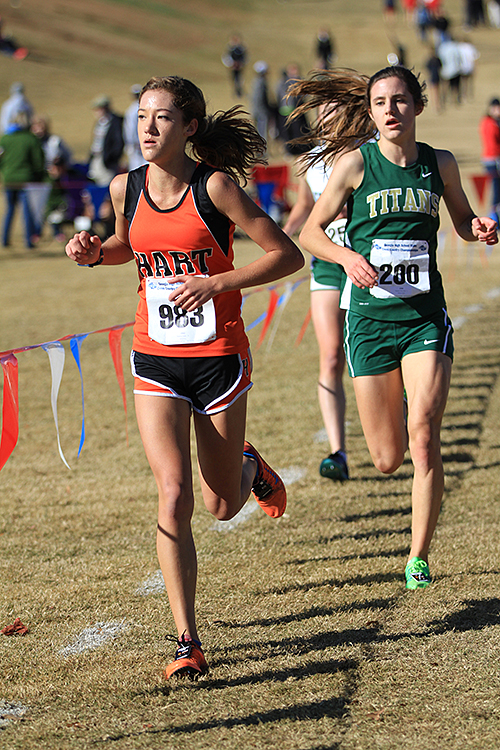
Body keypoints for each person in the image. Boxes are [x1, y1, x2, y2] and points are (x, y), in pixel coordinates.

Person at [65, 75, 304, 678]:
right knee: (172, 495)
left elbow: (286, 254)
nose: (148, 127)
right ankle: (186, 641)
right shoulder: (125, 186)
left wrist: (216, 282)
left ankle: (247, 466)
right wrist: (96, 253)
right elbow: (128, 245)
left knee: (220, 505)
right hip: (155, 356)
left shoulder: (214, 187)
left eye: (163, 117)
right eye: (142, 116)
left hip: (218, 357)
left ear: (190, 126)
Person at [295, 66, 497, 590]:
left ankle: (417, 556)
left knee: (423, 435)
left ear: (418, 106)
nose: (391, 110)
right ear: (370, 111)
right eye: (381, 102)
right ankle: (405, 397)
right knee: (387, 459)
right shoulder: (354, 165)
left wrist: (477, 227)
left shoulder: (440, 163)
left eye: (400, 100)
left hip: (423, 318)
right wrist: (347, 259)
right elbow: (311, 233)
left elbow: (462, 221)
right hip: (368, 322)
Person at [282, 106, 348, 481]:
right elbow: (305, 206)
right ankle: (338, 452)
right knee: (331, 355)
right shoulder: (310, 160)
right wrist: (281, 236)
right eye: (324, 111)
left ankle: (401, 401)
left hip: (366, 263)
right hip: (326, 263)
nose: (329, 117)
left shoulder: (368, 153)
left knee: (374, 353)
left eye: (335, 109)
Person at [0, 110, 45, 248]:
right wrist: (39, 176)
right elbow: (39, 162)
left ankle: (4, 240)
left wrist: (4, 173)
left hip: (9, 180)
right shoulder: (31, 139)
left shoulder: (4, 139)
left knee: (10, 210)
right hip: (27, 180)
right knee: (27, 212)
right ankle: (28, 241)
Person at [88, 95, 124, 187]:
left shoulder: (115, 122)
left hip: (107, 161)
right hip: (96, 157)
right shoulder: (99, 123)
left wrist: (111, 158)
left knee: (107, 183)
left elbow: (118, 142)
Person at [479, 97, 500, 221]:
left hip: (492, 159)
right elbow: (492, 144)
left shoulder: (493, 122)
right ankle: (494, 217)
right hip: (493, 160)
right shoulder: (489, 123)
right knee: (496, 189)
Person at [123, 84, 147, 172]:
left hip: (138, 144)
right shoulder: (133, 110)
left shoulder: (135, 109)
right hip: (136, 144)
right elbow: (130, 129)